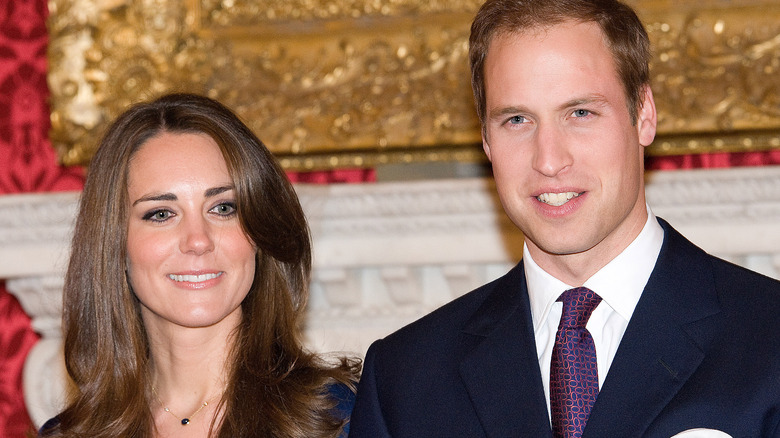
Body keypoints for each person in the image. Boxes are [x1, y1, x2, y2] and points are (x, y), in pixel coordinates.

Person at [348, 0, 780, 437]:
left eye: (580, 113)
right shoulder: (403, 380)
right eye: (517, 120)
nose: (549, 160)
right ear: (485, 140)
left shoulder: (769, 339)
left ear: (644, 114)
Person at [40, 93, 360, 438]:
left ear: (259, 234)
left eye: (223, 208)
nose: (198, 240)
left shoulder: (343, 418)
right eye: (161, 214)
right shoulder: (69, 434)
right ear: (114, 246)